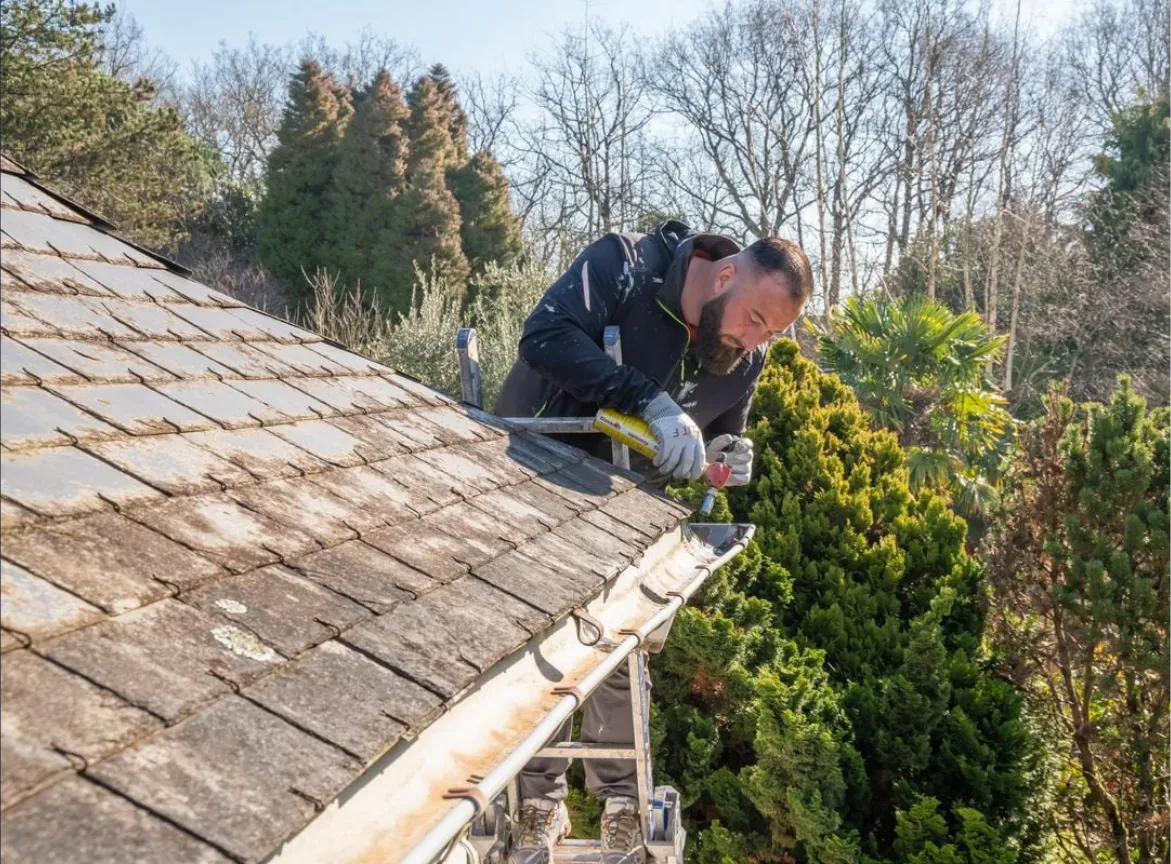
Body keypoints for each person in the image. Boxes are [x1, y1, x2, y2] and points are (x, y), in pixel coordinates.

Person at [495, 220, 813, 863]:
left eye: (770, 333)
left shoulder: (744, 356)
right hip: (531, 484)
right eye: (753, 319)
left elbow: (718, 432)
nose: (754, 342)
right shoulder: (624, 265)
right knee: (539, 651)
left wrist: (726, 454)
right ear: (725, 276)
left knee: (621, 644)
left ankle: (620, 808)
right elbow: (545, 337)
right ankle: (538, 807)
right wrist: (649, 401)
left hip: (623, 511)